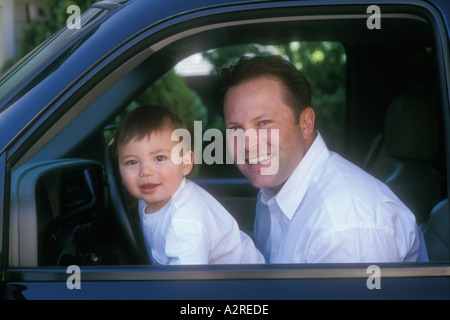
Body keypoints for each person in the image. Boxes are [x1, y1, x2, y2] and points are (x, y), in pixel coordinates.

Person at [219, 55, 429, 263]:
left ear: (306, 124)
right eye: (236, 128)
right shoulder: (271, 194)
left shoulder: (344, 226)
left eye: (264, 123)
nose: (247, 144)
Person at [112, 105, 264, 265]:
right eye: (132, 162)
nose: (145, 172)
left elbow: (185, 286)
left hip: (247, 285)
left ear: (185, 163)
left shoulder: (185, 223)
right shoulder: (152, 193)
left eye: (159, 158)